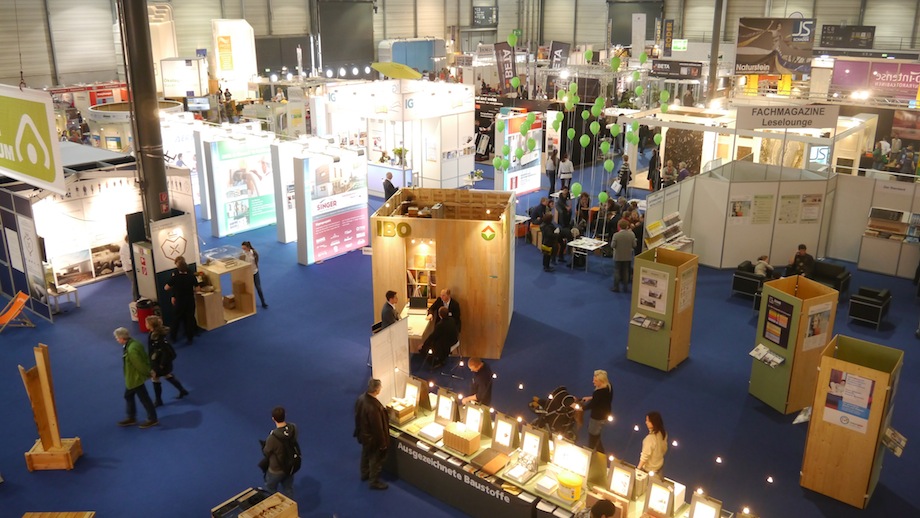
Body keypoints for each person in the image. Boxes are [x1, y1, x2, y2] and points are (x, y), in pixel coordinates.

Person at [113, 327, 158, 429]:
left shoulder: (131, 350)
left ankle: (152, 419)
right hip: (132, 378)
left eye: (117, 338)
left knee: (144, 398)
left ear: (121, 338)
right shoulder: (134, 343)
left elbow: (139, 365)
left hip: (134, 379)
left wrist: (148, 373)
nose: (116, 339)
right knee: (129, 396)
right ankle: (131, 417)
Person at [354, 378, 390, 490]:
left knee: (365, 454)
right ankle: (374, 481)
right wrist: (383, 443)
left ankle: (364, 473)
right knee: (375, 459)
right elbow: (378, 428)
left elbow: (357, 416)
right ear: (377, 390)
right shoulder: (374, 408)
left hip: (363, 435)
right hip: (373, 439)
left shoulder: (360, 399)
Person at [146, 315, 188, 406]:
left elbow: (164, 352)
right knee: (166, 375)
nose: (146, 324)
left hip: (159, 363)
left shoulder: (158, 338)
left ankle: (158, 400)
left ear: (152, 326)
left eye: (147, 323)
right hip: (162, 362)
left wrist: (161, 365)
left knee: (155, 378)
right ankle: (182, 390)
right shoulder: (155, 334)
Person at [164, 256, 201, 344]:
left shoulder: (175, 277)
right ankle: (190, 337)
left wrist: (175, 290)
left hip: (179, 301)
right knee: (189, 318)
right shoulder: (191, 276)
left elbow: (166, 287)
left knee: (176, 319)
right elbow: (198, 288)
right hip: (189, 301)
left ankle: (173, 337)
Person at [262, 406, 297, 497]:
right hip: (290, 466)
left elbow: (266, 452)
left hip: (276, 469)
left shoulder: (272, 437)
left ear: (273, 419)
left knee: (270, 489)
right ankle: (290, 506)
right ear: (285, 415)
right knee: (288, 488)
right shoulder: (293, 428)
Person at [579, 370, 613, 453]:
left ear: (601, 381)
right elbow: (602, 399)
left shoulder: (598, 392)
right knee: (596, 434)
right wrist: (591, 397)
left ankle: (591, 451)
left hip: (597, 417)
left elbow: (593, 404)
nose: (593, 382)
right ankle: (598, 451)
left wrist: (581, 408)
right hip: (605, 414)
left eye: (595, 381)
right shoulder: (608, 387)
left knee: (593, 435)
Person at [637, 411, 668, 476]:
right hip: (658, 469)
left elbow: (644, 456)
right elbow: (664, 449)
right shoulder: (663, 434)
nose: (646, 422)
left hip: (648, 470)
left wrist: (638, 469)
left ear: (653, 422)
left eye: (648, 421)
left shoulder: (650, 438)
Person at [610, 219, 637, 292]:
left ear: (619, 226)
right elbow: (634, 245)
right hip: (627, 256)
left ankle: (616, 287)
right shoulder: (631, 234)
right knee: (626, 271)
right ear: (627, 226)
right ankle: (625, 287)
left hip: (618, 256)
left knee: (617, 271)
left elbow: (612, 245)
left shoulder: (616, 235)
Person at [241, 241, 267, 308]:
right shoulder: (242, 254)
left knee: (258, 288)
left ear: (248, 247)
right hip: (248, 274)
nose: (243, 250)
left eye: (244, 248)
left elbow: (256, 261)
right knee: (248, 288)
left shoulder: (254, 253)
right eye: (242, 248)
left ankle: (263, 302)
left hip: (255, 272)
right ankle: (249, 303)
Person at [119, 235, 138, 301]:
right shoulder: (124, 249)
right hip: (129, 269)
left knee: (135, 283)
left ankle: (136, 297)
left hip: (130, 268)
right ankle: (135, 299)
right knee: (135, 283)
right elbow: (128, 261)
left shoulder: (127, 246)